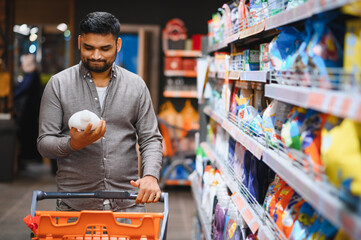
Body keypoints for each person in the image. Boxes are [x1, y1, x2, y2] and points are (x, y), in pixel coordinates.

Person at [37, 12, 163, 212]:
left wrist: (150, 176)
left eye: (105, 48)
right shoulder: (58, 85)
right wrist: (72, 144)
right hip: (75, 204)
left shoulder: (136, 86)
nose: (96, 55)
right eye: (89, 47)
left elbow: (150, 138)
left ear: (118, 45)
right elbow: (44, 143)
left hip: (127, 203)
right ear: (79, 42)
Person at [14, 54, 42, 169]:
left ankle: (29, 156)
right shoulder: (32, 75)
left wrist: (12, 95)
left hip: (30, 110)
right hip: (29, 109)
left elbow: (22, 89)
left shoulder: (32, 75)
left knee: (29, 132)